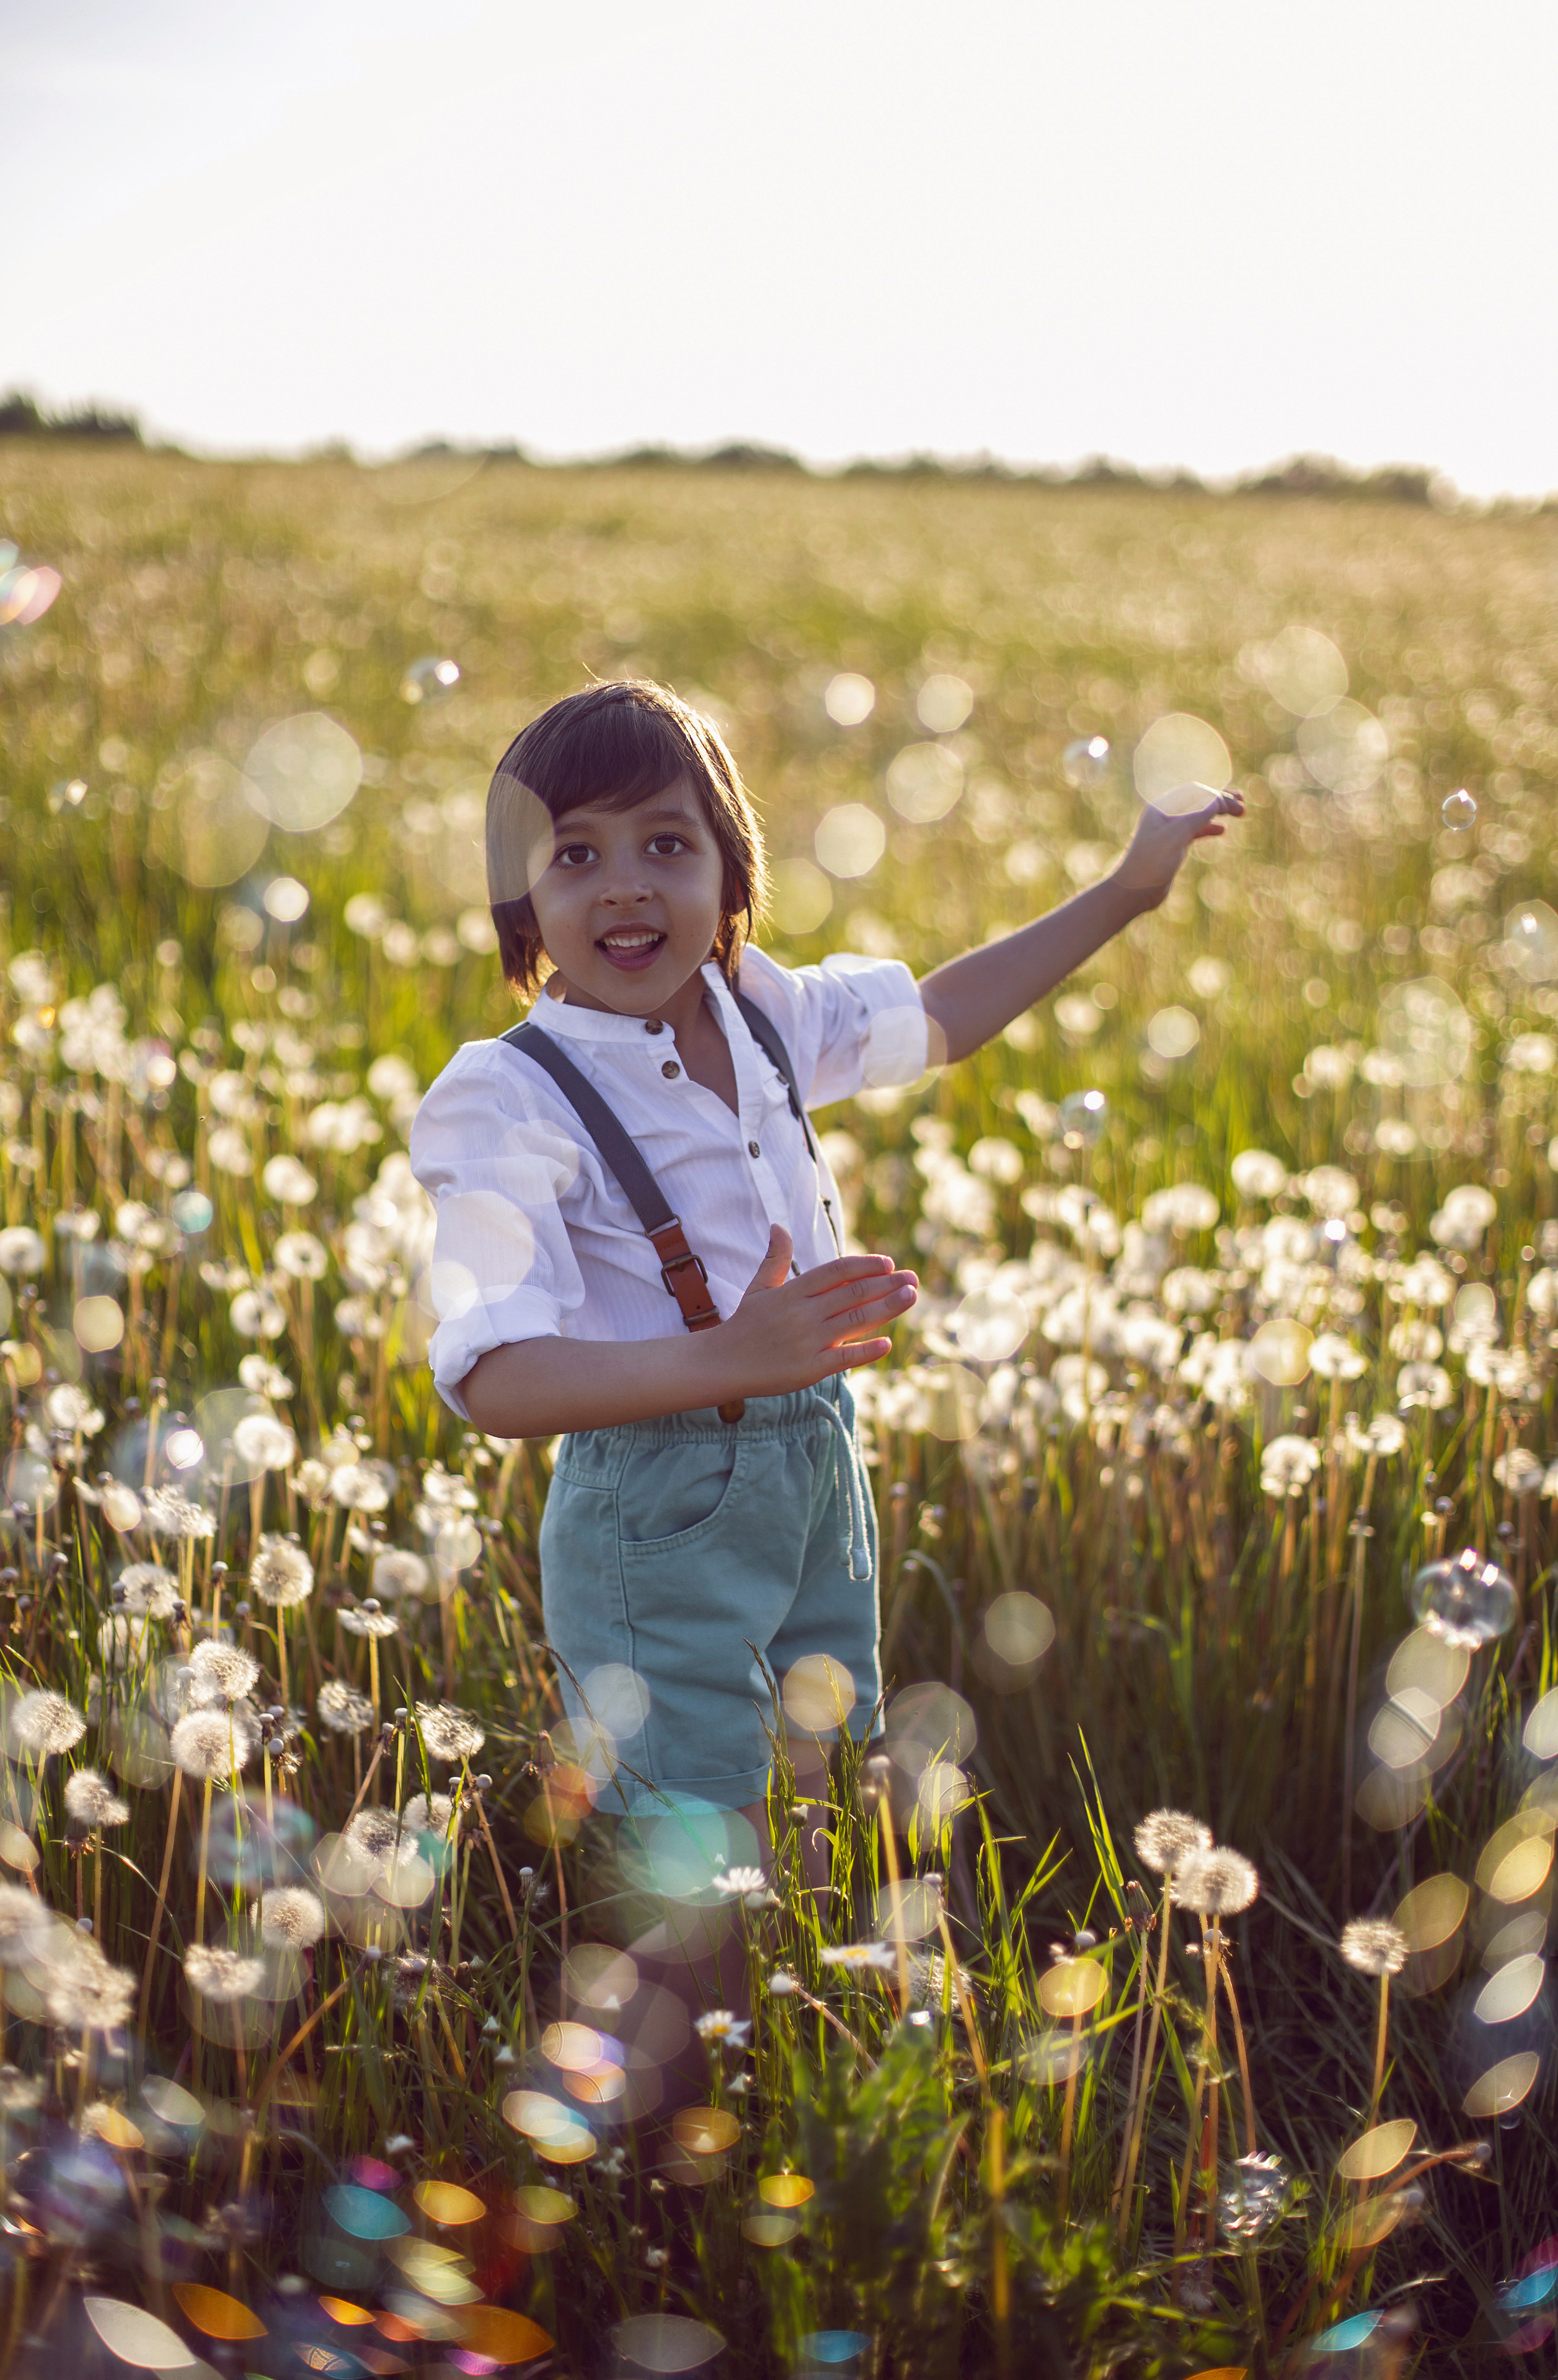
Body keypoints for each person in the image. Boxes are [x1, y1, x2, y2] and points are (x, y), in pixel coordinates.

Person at [409, 679, 1241, 1881]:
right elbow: (493, 1380)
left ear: (730, 871)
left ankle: (801, 1997)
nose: (626, 885)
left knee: (817, 1793)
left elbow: (940, 1014)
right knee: (704, 1854)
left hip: (814, 1466)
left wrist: (1126, 890)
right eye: (575, 854)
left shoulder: (760, 1009)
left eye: (667, 844)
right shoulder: (507, 1095)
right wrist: (725, 1358)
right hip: (655, 1508)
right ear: (518, 898)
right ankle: (695, 2001)